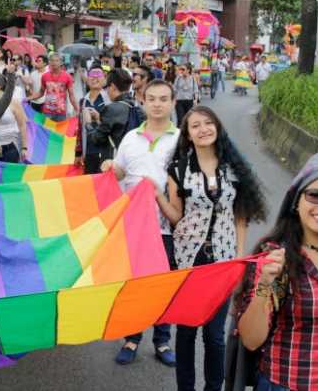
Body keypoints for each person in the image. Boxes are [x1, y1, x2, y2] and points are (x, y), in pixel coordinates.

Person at [155, 106, 267, 391]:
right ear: (188, 134)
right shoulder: (178, 168)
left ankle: (214, 387)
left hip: (224, 260)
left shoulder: (234, 168)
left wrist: (240, 258)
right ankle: (186, 387)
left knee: (215, 335)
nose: (203, 129)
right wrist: (156, 195)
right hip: (188, 260)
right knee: (186, 330)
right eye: (195, 126)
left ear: (217, 127)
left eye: (208, 123)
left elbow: (240, 214)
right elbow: (177, 216)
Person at [101, 79, 179, 367]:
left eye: (163, 98)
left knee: (162, 284)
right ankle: (132, 338)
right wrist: (112, 168)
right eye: (152, 98)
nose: (157, 104)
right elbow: (121, 172)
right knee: (132, 283)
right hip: (131, 224)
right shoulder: (131, 137)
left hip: (166, 226)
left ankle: (162, 340)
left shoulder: (181, 139)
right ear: (142, 102)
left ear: (173, 102)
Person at [237, 153, 318, 391]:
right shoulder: (279, 257)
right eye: (314, 195)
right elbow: (251, 340)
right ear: (296, 201)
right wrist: (264, 285)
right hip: (287, 383)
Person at [75, 67, 111, 174]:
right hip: (88, 151)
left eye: (98, 76)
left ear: (104, 80)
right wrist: (78, 153)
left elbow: (113, 126)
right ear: (87, 79)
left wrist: (98, 117)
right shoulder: (83, 101)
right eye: (92, 76)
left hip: (105, 151)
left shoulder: (109, 99)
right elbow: (80, 128)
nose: (95, 78)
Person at [0, 72, 28, 163]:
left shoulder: (14, 102)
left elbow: (22, 125)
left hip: (10, 147)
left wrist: (24, 147)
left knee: (9, 176)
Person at [29, 53, 79, 122]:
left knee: (59, 133)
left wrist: (77, 109)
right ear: (49, 62)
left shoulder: (67, 76)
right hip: (47, 112)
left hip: (61, 112)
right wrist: (29, 98)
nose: (54, 63)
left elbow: (71, 95)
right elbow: (41, 92)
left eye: (56, 60)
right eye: (52, 60)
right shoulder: (45, 76)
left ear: (61, 62)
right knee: (47, 132)